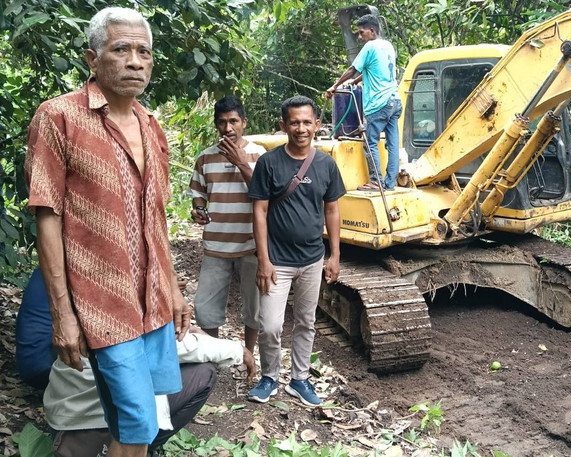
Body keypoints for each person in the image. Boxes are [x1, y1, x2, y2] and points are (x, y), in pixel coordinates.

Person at [25, 7, 190, 456]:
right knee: (136, 421)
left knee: (138, 423)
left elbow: (155, 218)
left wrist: (173, 291)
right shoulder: (59, 117)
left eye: (144, 52)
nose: (136, 61)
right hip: (102, 305)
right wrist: (62, 314)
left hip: (151, 302)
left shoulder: (152, 125)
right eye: (121, 50)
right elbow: (47, 215)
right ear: (92, 59)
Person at [14, 268, 256, 457]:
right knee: (201, 372)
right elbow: (172, 346)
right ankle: (135, 445)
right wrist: (237, 349)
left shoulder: (82, 286)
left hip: (63, 408)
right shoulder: (118, 301)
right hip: (82, 418)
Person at [247, 95, 346, 406]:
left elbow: (332, 210)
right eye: (294, 122)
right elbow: (259, 212)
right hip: (277, 261)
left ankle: (300, 379)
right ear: (283, 125)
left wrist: (334, 255)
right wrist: (263, 261)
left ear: (317, 125)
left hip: (312, 260)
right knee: (270, 325)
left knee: (306, 321)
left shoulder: (326, 164)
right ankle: (270, 377)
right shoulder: (269, 163)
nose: (301, 128)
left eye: (307, 122)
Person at [187, 96, 265, 358]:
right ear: (216, 125)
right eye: (222, 122)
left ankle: (249, 355)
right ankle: (216, 358)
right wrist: (198, 210)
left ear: (244, 122)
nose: (228, 128)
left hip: (253, 245)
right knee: (205, 307)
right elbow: (198, 193)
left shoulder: (259, 155)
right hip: (216, 246)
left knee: (255, 308)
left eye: (233, 121)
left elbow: (266, 194)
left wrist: (241, 162)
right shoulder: (205, 158)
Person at [326, 13, 402, 191]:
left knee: (370, 143)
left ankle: (376, 181)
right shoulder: (387, 46)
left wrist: (334, 86)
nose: (360, 37)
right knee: (392, 145)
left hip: (379, 104)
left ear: (372, 31)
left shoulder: (370, 46)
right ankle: (390, 183)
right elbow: (373, 68)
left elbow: (352, 69)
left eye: (361, 33)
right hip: (394, 101)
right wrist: (355, 82)